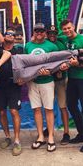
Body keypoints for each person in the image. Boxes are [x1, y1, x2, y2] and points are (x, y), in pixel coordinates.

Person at [60, 19, 83, 152]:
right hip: (72, 79)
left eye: (69, 28)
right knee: (71, 106)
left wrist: (79, 64)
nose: (67, 30)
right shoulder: (64, 40)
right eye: (65, 29)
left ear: (73, 27)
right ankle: (82, 134)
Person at [25, 23, 59, 152]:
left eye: (41, 30)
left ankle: (50, 137)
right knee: (37, 110)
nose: (39, 32)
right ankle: (40, 137)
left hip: (47, 82)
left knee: (49, 109)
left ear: (45, 32)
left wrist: (50, 71)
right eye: (36, 30)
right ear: (33, 32)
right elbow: (25, 63)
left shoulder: (52, 46)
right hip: (33, 82)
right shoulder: (28, 46)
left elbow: (57, 63)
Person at [0, 27, 24, 156]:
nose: (10, 35)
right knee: (1, 112)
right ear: (4, 36)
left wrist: (24, 79)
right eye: (8, 33)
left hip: (14, 84)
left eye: (13, 34)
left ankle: (17, 141)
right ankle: (7, 137)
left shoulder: (19, 51)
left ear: (15, 38)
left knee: (13, 111)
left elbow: (26, 66)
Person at [43, 25, 70, 145]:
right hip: (48, 80)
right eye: (50, 33)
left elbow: (67, 58)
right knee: (49, 107)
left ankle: (66, 133)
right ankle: (49, 129)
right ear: (47, 34)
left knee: (62, 106)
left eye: (54, 33)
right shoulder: (45, 44)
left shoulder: (61, 44)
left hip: (60, 80)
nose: (52, 35)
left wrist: (62, 69)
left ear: (57, 34)